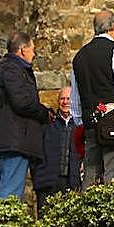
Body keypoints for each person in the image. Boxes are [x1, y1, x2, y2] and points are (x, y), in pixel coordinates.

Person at [70, 10, 114, 186]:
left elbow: (75, 100)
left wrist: (82, 122)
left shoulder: (79, 56)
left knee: (91, 181)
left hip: (90, 125)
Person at [0, 32, 53, 199]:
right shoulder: (11, 69)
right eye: (32, 49)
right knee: (10, 192)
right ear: (23, 50)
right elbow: (22, 102)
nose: (34, 54)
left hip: (17, 138)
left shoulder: (12, 68)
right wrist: (44, 113)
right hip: (15, 139)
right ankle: (5, 216)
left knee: (12, 190)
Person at [33, 85, 81, 215]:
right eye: (62, 99)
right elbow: (36, 150)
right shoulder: (48, 123)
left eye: (69, 99)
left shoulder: (80, 124)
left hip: (72, 182)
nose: (65, 102)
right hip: (47, 181)